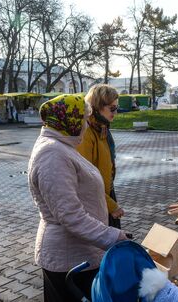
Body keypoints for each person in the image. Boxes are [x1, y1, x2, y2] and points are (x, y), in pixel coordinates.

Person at [28, 94, 128, 301]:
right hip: (69, 260)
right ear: (69, 120)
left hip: (80, 254)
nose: (85, 125)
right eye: (82, 119)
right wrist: (113, 237)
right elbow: (70, 215)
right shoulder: (52, 154)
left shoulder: (61, 146)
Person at [77, 84, 124, 229]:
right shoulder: (87, 133)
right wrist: (110, 205)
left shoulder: (102, 128)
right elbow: (85, 179)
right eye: (112, 108)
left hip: (105, 192)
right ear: (97, 107)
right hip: (96, 199)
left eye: (117, 108)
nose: (115, 113)